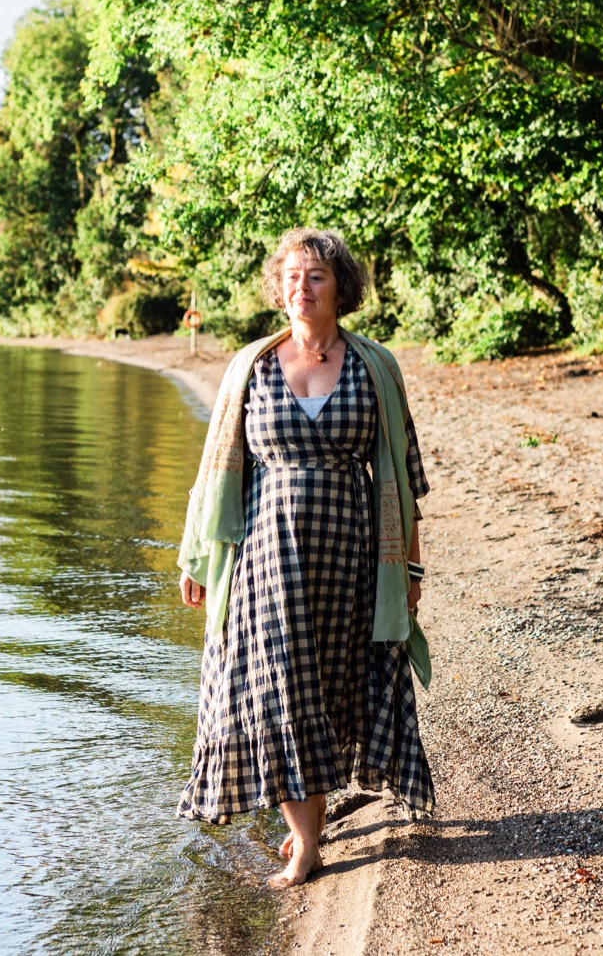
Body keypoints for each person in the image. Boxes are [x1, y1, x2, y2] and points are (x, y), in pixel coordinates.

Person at [176, 227, 433, 889]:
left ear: (340, 287)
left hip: (348, 558)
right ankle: (306, 838)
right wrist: (198, 558)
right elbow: (214, 471)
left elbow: (402, 475)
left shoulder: (374, 365)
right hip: (263, 559)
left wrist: (408, 568)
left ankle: (307, 828)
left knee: (323, 686)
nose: (301, 285)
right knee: (277, 689)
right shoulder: (251, 366)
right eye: (291, 275)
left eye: (315, 275)